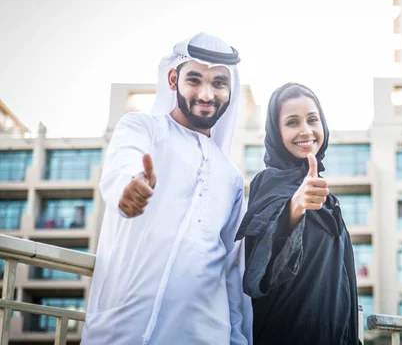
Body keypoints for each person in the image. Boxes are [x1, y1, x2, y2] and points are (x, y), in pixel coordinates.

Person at [82, 33, 252, 345]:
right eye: (195, 79)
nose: (206, 93)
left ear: (230, 90)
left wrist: (238, 339)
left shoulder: (231, 178)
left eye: (218, 83)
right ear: (173, 79)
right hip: (124, 331)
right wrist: (129, 188)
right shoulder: (142, 128)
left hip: (205, 337)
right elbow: (123, 165)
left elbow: (232, 271)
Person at [235, 83, 360, 344]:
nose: (306, 131)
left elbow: (342, 285)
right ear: (276, 132)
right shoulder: (269, 182)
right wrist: (295, 208)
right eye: (292, 122)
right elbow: (260, 270)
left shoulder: (326, 198)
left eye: (312, 119)